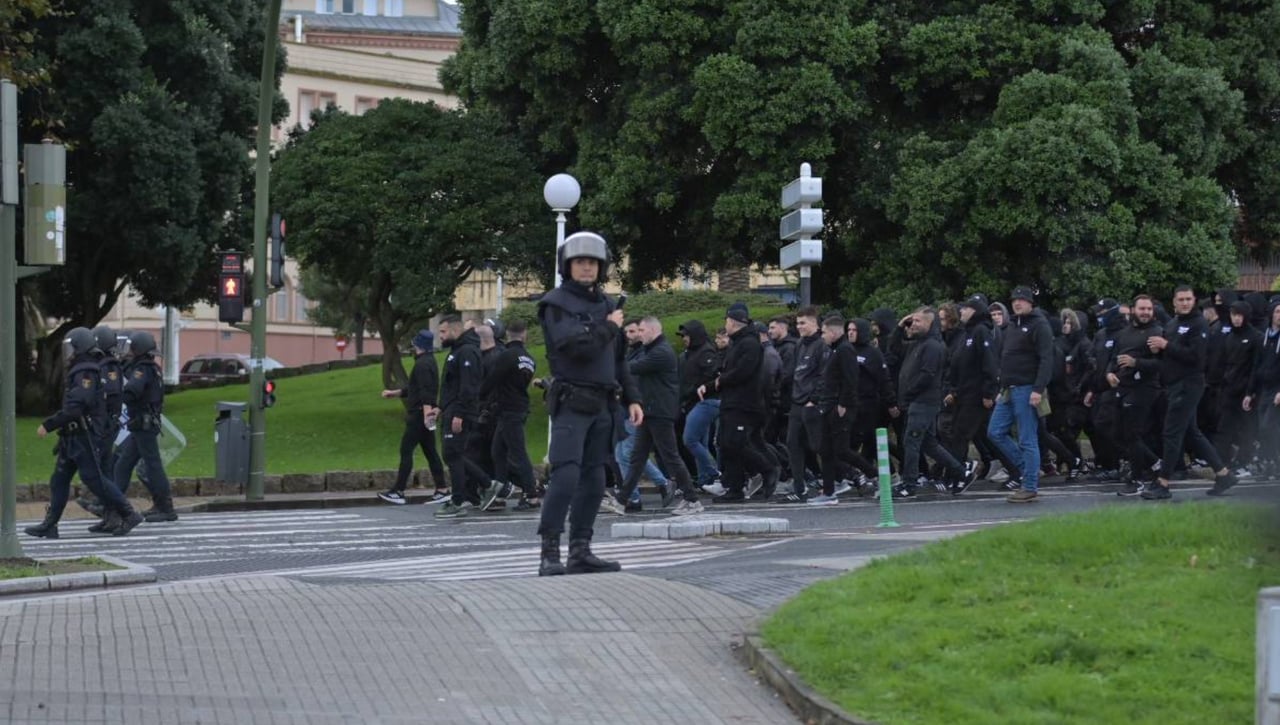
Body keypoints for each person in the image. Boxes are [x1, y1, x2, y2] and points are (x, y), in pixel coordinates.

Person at [536, 231, 642, 576]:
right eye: (580, 262)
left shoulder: (609, 307)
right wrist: (609, 328)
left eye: (592, 262)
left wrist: (633, 397)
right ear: (568, 266)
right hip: (571, 400)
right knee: (565, 476)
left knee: (596, 480)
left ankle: (581, 549)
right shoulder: (556, 304)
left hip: (603, 402)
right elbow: (573, 345)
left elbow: (619, 359)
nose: (586, 267)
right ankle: (549, 552)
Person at [26, 328, 143, 539]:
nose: (68, 352)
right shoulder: (82, 368)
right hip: (72, 436)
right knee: (59, 480)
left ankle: (128, 513)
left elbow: (77, 406)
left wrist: (49, 424)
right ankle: (50, 524)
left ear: (79, 347)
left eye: (71, 347)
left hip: (84, 436)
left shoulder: (86, 371)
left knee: (94, 478)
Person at [1143, 285, 1237, 499]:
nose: (1185, 303)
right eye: (1181, 299)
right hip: (1174, 384)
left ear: (1193, 301)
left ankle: (1163, 482)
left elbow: (1196, 357)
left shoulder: (1199, 324)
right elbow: (1168, 357)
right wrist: (1157, 352)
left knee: (1171, 433)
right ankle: (1223, 475)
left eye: (1188, 299)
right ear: (1174, 302)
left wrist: (1166, 345)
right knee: (1192, 433)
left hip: (1189, 384)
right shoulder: (1173, 324)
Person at [612, 316, 703, 515]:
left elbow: (630, 368)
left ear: (653, 330)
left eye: (642, 330)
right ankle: (622, 500)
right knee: (637, 457)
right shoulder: (651, 349)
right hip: (650, 410)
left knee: (670, 456)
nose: (640, 334)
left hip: (659, 411)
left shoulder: (660, 353)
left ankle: (692, 499)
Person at [703, 303, 779, 503]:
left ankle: (767, 469)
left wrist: (721, 381)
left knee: (735, 442)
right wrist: (714, 383)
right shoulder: (737, 343)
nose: (725, 325)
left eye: (726, 321)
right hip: (731, 401)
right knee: (726, 444)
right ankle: (734, 488)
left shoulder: (749, 344)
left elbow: (743, 371)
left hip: (744, 402)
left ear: (732, 322)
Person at [895, 307, 973, 496]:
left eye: (918, 321)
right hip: (916, 401)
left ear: (930, 323)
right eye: (912, 321)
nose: (913, 324)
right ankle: (962, 472)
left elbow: (927, 376)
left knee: (911, 441)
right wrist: (899, 328)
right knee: (928, 443)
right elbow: (895, 349)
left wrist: (908, 392)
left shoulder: (933, 346)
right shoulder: (917, 343)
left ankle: (909, 484)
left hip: (923, 402)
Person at [987, 287, 1053, 503]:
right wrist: (1002, 387)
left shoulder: (1039, 324)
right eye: (1014, 300)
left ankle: (1030, 485)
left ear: (1031, 302)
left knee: (1027, 438)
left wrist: (1038, 389)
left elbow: (1046, 359)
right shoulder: (1013, 325)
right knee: (995, 432)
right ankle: (1028, 468)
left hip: (1027, 388)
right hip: (1009, 389)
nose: (1017, 303)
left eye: (1022, 300)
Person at [112, 331, 179, 523]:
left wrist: (115, 396)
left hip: (144, 425)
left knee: (152, 466)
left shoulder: (142, 369)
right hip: (142, 424)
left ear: (138, 349)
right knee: (123, 464)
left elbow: (133, 390)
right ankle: (113, 504)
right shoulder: (151, 368)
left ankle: (166, 508)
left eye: (131, 348)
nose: (128, 352)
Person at [435, 315, 498, 518]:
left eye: (443, 332)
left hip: (460, 411)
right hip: (452, 408)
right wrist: (440, 407)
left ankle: (459, 500)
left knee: (453, 454)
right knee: (453, 454)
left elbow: (469, 386)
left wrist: (459, 413)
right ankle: (488, 485)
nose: (441, 336)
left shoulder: (467, 351)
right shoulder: (458, 350)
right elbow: (452, 385)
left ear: (455, 330)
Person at [377, 329, 446, 505]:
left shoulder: (422, 365)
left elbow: (424, 391)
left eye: (415, 344)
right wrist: (396, 393)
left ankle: (398, 491)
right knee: (431, 452)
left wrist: (426, 414)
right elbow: (415, 388)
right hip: (425, 412)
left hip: (419, 414)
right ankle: (442, 489)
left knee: (406, 450)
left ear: (418, 345)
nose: (413, 347)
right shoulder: (429, 362)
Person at [482, 319, 542, 510]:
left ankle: (531, 494)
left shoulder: (506, 356)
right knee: (497, 451)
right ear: (524, 334)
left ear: (507, 334)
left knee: (518, 453)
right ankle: (500, 494)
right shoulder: (530, 359)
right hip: (518, 407)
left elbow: (492, 380)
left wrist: (478, 397)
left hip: (509, 409)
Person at [1108, 295, 1164, 495]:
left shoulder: (1156, 333)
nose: (1146, 312)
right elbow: (1113, 358)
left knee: (1132, 434)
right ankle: (1156, 463)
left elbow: (1161, 364)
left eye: (1149, 309)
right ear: (1133, 310)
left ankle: (1137, 480)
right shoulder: (1124, 333)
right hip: (1123, 387)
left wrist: (1136, 363)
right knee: (1117, 433)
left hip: (1145, 388)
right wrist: (1110, 374)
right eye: (1142, 309)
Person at [778, 307, 826, 502]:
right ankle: (799, 488)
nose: (799, 327)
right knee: (793, 443)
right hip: (797, 402)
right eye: (797, 323)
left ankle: (845, 476)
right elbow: (797, 374)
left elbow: (824, 375)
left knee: (818, 445)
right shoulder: (799, 344)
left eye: (803, 323)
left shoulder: (821, 346)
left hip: (812, 403)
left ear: (815, 324)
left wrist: (813, 399)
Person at [677, 320, 722, 491]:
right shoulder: (689, 353)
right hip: (694, 402)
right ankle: (705, 479)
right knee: (699, 442)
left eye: (686, 335)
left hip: (706, 401)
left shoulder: (706, 352)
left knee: (690, 439)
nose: (684, 339)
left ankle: (714, 473)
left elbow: (710, 376)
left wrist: (694, 390)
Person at [1244, 299, 1280, 481]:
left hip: (1277, 390)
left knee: (1269, 427)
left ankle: (1274, 462)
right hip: (1264, 389)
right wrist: (1250, 393)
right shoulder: (1263, 338)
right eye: (1278, 312)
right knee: (1262, 428)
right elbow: (1256, 366)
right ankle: (1269, 463)